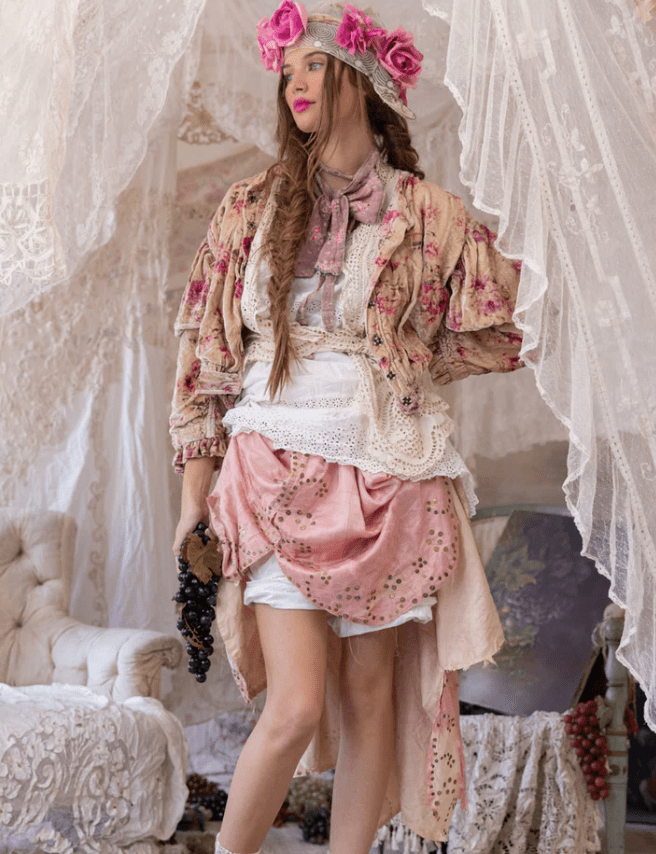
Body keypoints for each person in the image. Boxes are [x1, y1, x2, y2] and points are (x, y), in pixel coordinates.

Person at [170, 4, 523, 853]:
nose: (294, 83)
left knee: (371, 701)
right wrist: (192, 502)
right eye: (286, 70)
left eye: (314, 66)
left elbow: (505, 325)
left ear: (361, 80)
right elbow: (204, 366)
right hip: (271, 470)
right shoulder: (249, 208)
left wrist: (405, 363)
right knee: (294, 707)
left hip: (388, 471)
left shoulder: (427, 214)